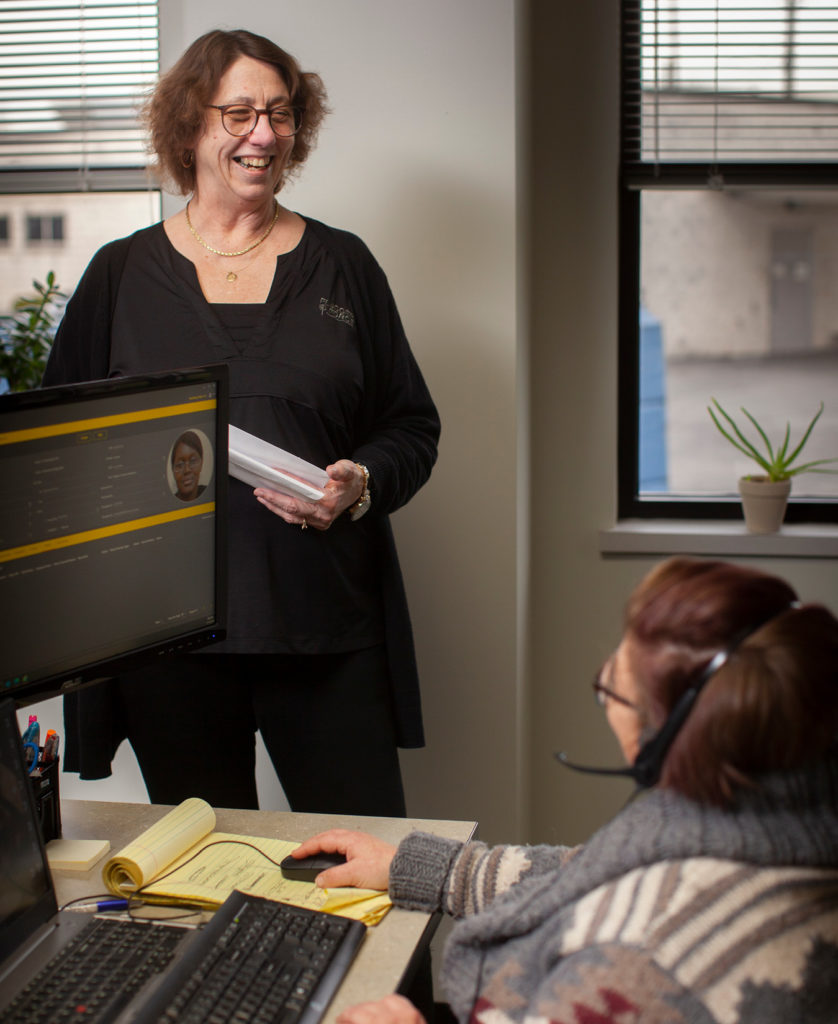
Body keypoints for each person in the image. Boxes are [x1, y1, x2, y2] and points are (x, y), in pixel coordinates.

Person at [43, 29, 440, 816]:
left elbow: (410, 426)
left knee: (363, 862)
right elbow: (59, 448)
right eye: (239, 114)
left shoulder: (345, 266)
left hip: (324, 629)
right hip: (167, 641)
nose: (264, 134)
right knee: (203, 866)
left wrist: (360, 482)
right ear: (189, 126)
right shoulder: (120, 275)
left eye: (280, 113)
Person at [290, 558, 838, 1024]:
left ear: (661, 738)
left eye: (612, 690)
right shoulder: (780, 834)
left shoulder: (636, 968)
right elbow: (591, 874)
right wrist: (421, 868)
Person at [171, 431, 206, 502]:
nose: (187, 470)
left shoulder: (210, 493)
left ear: (201, 462)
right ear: (173, 469)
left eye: (193, 461)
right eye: (180, 465)